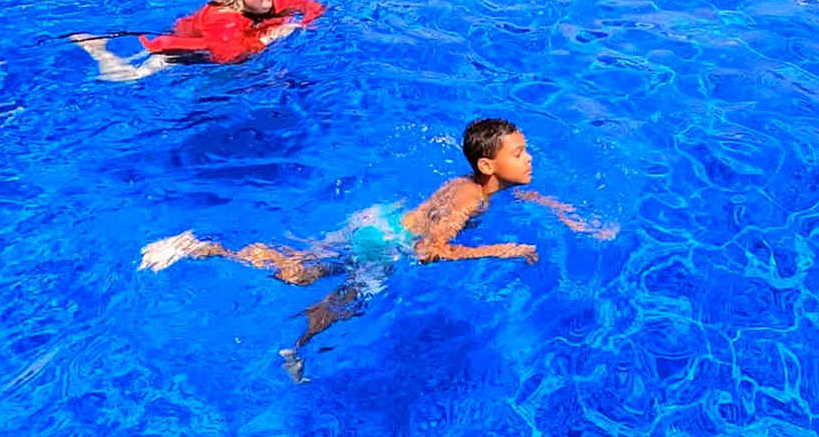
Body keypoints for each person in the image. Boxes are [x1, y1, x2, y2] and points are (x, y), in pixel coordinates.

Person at [138, 119, 618, 382]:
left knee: (301, 269)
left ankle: (207, 248)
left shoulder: (479, 185)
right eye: (520, 153)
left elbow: (525, 194)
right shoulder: (471, 198)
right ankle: (292, 346)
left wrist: (572, 217)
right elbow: (431, 252)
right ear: (489, 164)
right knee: (344, 301)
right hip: (388, 245)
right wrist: (502, 249)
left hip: (380, 224)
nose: (530, 157)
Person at [72, 0, 324, 81]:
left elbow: (313, 6)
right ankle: (97, 48)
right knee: (128, 78)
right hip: (182, 50)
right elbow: (228, 56)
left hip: (229, 41)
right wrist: (270, 36)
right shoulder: (223, 18)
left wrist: (304, 25)